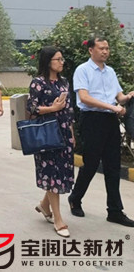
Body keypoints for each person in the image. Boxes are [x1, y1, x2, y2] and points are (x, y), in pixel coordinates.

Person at [68, 37, 134, 227]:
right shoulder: (83, 70)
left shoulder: (110, 72)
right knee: (91, 164)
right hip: (92, 120)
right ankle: (75, 198)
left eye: (107, 48)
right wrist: (112, 107)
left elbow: (119, 97)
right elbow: (84, 98)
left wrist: (128, 96)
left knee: (113, 166)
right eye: (101, 48)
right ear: (91, 50)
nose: (105, 51)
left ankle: (114, 211)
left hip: (110, 121)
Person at [27, 47, 75, 238]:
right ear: (48, 62)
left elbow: (69, 110)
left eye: (62, 59)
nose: (62, 62)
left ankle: (44, 206)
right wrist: (52, 108)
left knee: (61, 173)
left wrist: (71, 134)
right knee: (52, 174)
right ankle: (58, 219)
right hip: (46, 133)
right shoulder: (38, 83)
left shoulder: (64, 82)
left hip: (64, 132)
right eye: (58, 59)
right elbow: (31, 108)